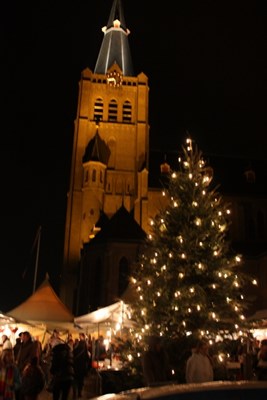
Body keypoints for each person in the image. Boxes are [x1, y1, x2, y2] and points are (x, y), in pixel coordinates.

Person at [73, 333, 90, 399]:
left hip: (76, 364)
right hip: (82, 365)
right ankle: (79, 392)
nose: (79, 337)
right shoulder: (84, 344)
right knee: (80, 379)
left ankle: (75, 393)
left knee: (75, 379)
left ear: (82, 336)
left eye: (80, 336)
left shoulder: (77, 344)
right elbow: (86, 356)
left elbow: (74, 352)